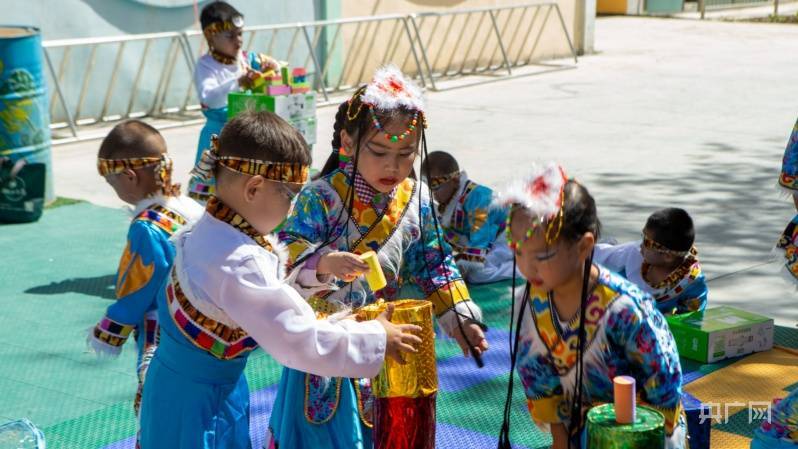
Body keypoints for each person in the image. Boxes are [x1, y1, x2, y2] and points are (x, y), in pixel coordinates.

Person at [138, 111, 422, 449]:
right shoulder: (239, 260)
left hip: (182, 388)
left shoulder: (213, 229)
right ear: (254, 188)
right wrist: (375, 336)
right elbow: (297, 340)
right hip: (200, 404)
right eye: (289, 196)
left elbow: (255, 296)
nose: (290, 211)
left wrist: (319, 269)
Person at [268, 65, 487, 449]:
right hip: (330, 340)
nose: (393, 166)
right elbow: (286, 251)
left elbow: (435, 264)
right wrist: (322, 264)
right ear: (348, 143)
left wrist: (461, 318)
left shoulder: (417, 199)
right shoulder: (319, 197)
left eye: (406, 154)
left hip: (391, 340)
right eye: (380, 151)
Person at [497, 163, 685, 449]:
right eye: (519, 253)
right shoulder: (531, 303)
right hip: (578, 431)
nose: (527, 267)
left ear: (584, 247)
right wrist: (561, 442)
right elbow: (538, 379)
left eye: (543, 255)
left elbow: (664, 385)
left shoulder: (625, 309)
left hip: (642, 434)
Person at [88, 120, 203, 419]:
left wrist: (109, 328)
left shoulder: (147, 227)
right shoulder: (189, 206)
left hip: (162, 327)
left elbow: (140, 287)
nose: (115, 190)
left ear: (129, 176)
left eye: (112, 183)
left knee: (156, 400)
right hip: (201, 322)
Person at [189, 0, 279, 201]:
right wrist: (239, 80)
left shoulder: (248, 59)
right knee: (210, 195)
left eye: (240, 34)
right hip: (217, 138)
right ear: (211, 36)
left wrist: (270, 69)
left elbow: (277, 67)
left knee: (245, 189)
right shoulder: (206, 65)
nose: (238, 40)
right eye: (230, 36)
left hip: (247, 135)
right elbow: (209, 97)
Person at [421, 150, 514, 284]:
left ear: (454, 180)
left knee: (477, 275)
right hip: (490, 239)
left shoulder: (478, 198)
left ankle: (520, 269)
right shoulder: (449, 201)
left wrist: (465, 265)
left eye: (437, 187)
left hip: (508, 236)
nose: (434, 194)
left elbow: (480, 235)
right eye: (430, 188)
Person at [593, 208, 708, 315]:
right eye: (643, 237)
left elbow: (691, 320)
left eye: (647, 242)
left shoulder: (691, 283)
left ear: (668, 256)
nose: (641, 244)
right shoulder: (632, 258)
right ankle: (609, 243)